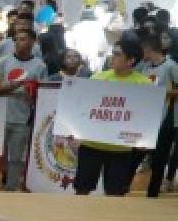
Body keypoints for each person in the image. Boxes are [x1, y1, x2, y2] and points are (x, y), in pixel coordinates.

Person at [74, 40, 152, 196]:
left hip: (121, 148)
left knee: (115, 193)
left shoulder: (145, 84)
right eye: (112, 53)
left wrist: (147, 137)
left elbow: (148, 117)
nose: (112, 57)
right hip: (92, 144)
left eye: (117, 54)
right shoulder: (97, 78)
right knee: (82, 188)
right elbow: (83, 109)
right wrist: (76, 130)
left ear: (131, 60)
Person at [0, 29, 47, 192]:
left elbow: (44, 94)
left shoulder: (40, 66)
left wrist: (33, 92)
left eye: (23, 39)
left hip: (23, 117)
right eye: (16, 39)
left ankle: (11, 189)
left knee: (16, 158)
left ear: (33, 42)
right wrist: (6, 88)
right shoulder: (4, 60)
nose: (18, 42)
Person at [137, 35, 178, 197]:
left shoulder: (171, 66)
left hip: (166, 119)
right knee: (138, 153)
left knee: (160, 158)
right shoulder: (144, 67)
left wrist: (165, 92)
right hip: (146, 118)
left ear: (149, 49)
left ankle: (153, 193)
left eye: (142, 50)